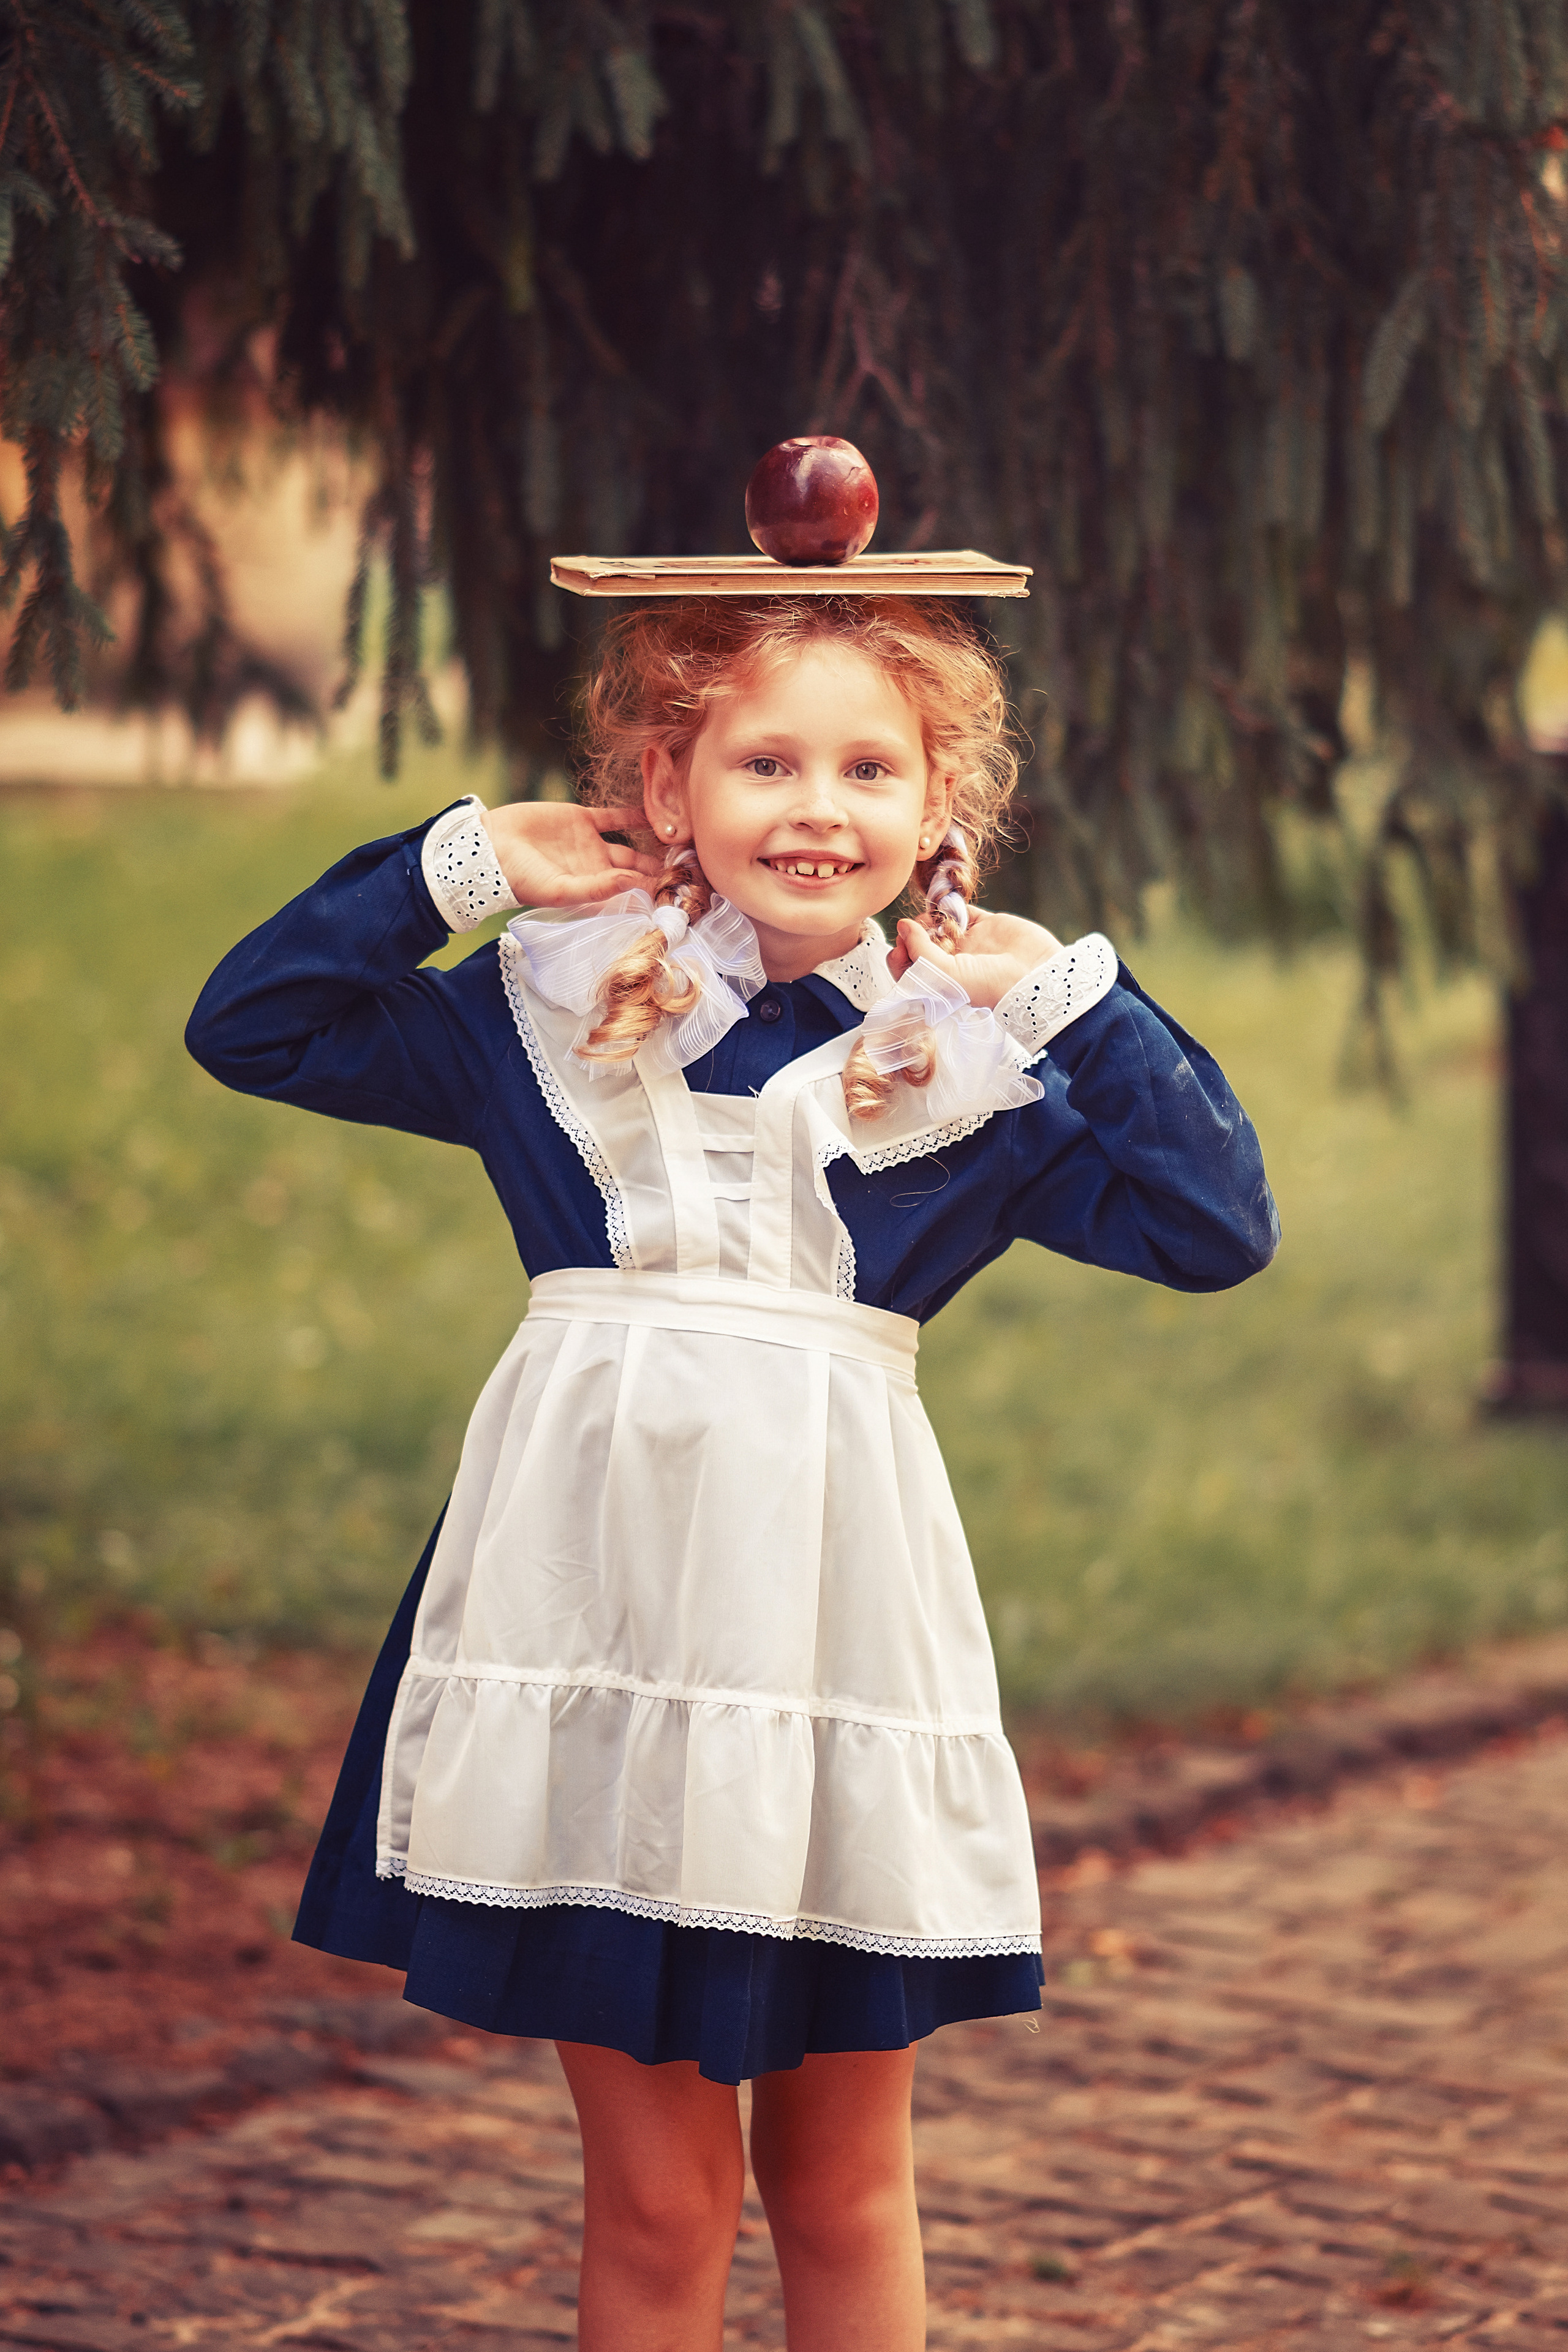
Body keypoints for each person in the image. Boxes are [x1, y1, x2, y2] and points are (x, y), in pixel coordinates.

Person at [187, 592, 1278, 2352]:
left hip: (831, 1666)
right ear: (665, 784)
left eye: (868, 767)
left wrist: (1077, 1000)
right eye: (762, 761)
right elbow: (257, 1026)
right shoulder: (547, 1018)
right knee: (660, 2195)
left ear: (943, 815)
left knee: (845, 2192)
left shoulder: (968, 1073)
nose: (814, 807)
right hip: (595, 1661)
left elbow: (1213, 1226)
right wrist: (460, 869)